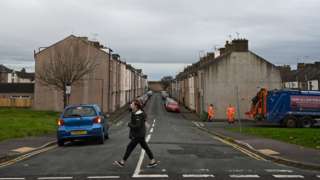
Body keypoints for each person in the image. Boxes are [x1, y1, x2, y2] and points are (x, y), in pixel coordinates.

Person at [114, 99, 158, 168]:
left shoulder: (138, 115)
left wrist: (129, 124)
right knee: (145, 147)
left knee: (129, 147)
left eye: (132, 104)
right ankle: (152, 161)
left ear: (135, 106)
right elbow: (143, 116)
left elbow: (137, 126)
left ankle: (122, 162)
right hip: (140, 134)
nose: (130, 105)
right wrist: (145, 121)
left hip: (138, 135)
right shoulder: (135, 112)